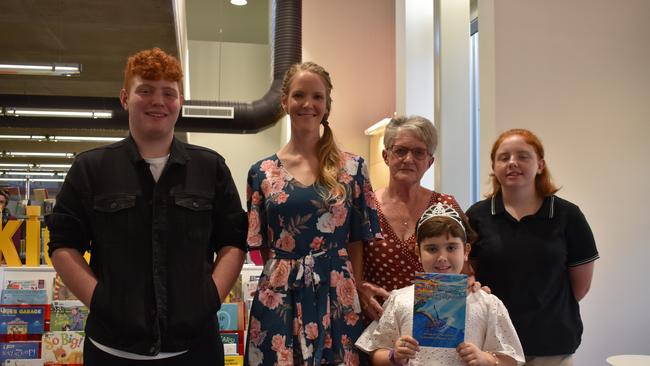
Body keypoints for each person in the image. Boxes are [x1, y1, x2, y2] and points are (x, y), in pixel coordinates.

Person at [46, 48, 247, 365]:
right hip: (112, 350)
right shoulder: (90, 169)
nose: (158, 101)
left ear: (179, 102)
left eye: (169, 93)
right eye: (146, 90)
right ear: (125, 98)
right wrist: (100, 301)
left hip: (195, 349)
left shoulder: (211, 168)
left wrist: (210, 299)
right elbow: (63, 246)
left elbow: (232, 241)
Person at [244, 61, 382, 366]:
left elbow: (358, 239)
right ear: (284, 102)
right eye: (299, 95)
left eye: (317, 97)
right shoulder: (262, 172)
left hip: (337, 292)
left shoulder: (353, 169)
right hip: (280, 291)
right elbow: (264, 246)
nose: (308, 104)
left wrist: (354, 287)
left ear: (327, 105)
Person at [466, 129, 599, 366]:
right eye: (504, 157)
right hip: (492, 349)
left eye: (523, 156)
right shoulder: (477, 216)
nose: (512, 163)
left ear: (540, 165)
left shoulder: (568, 216)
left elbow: (580, 287)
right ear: (494, 167)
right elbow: (469, 274)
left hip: (551, 346)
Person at [355, 202, 525, 365]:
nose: (442, 257)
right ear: (418, 252)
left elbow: (511, 359)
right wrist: (394, 356)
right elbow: (376, 352)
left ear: (466, 251)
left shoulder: (488, 304)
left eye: (451, 248)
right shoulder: (399, 300)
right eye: (432, 249)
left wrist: (486, 359)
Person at [359, 115, 464, 321]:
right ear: (386, 156)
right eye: (400, 151)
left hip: (434, 327)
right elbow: (352, 270)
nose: (408, 159)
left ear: (429, 162)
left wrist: (472, 283)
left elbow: (463, 271)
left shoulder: (446, 206)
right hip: (378, 325)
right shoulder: (365, 207)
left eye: (418, 152)